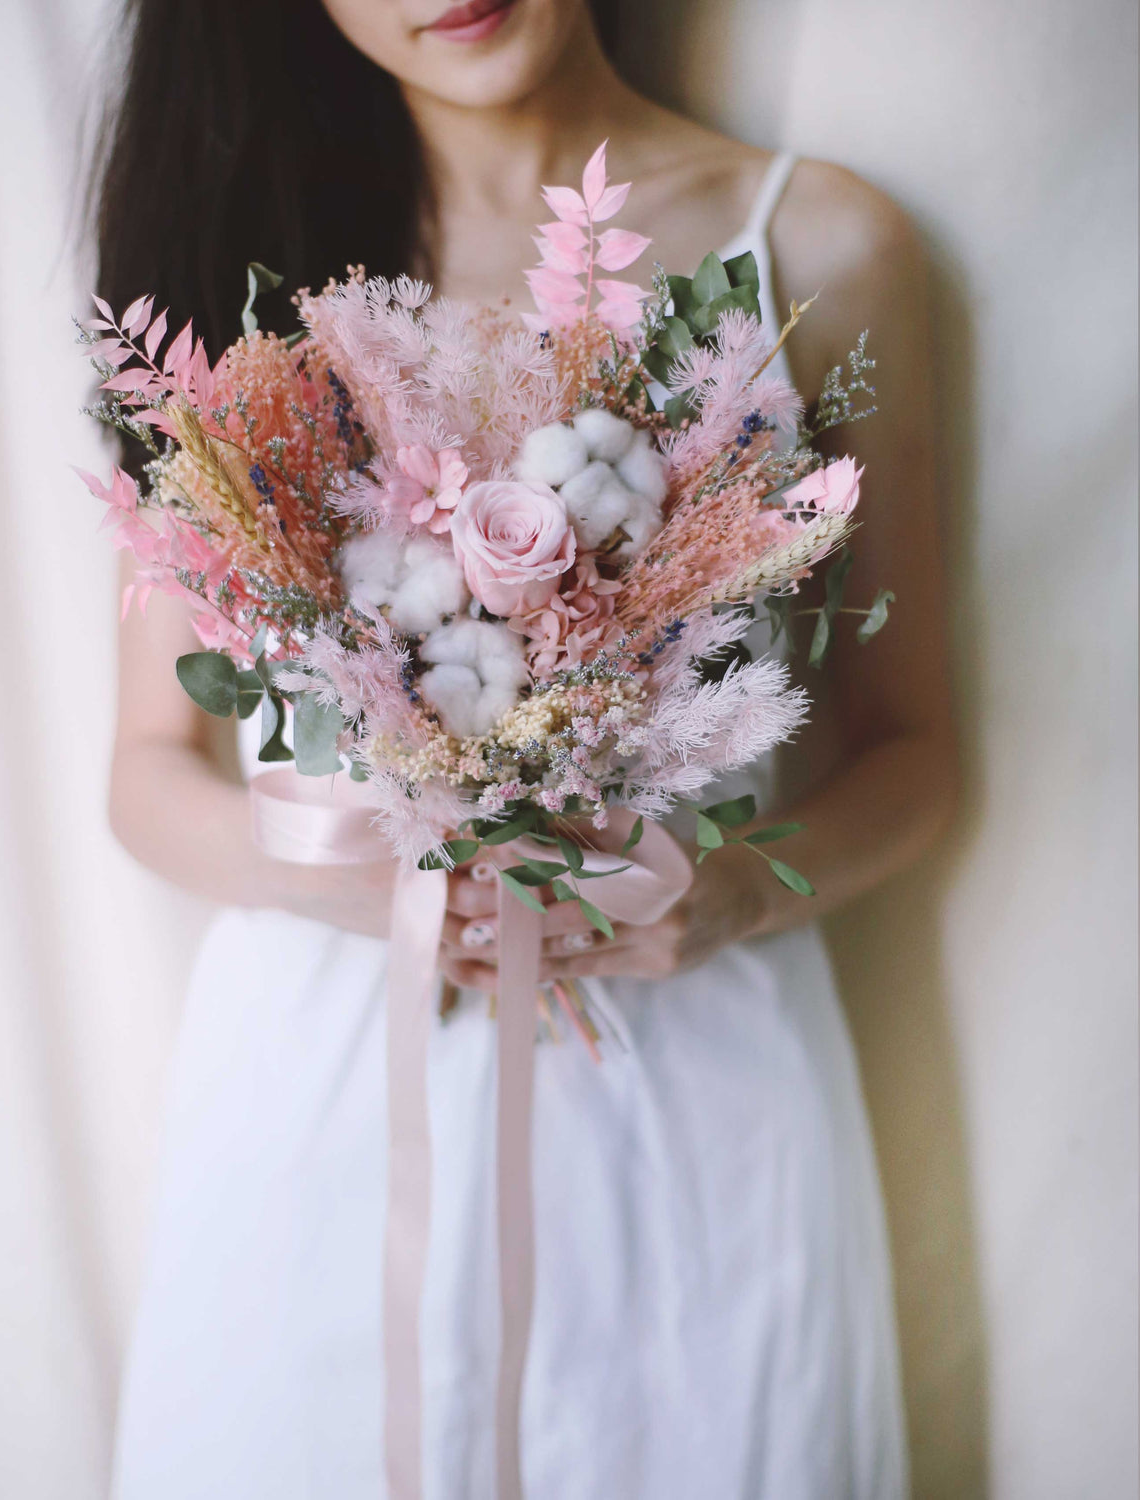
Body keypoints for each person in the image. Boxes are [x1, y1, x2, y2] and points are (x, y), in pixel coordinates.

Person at [99, 1, 957, 1495]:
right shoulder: (244, 273)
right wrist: (374, 880)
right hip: (327, 1109)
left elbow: (920, 753)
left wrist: (735, 895)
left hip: (691, 1097)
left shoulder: (821, 245)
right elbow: (145, 771)